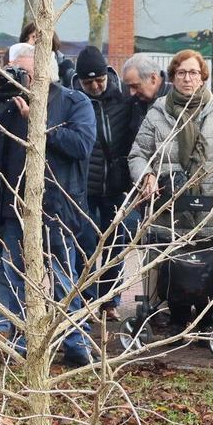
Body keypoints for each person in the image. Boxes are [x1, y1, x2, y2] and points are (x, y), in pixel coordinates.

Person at [0, 42, 96, 367]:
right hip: (14, 209)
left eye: (26, 72)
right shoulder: (5, 105)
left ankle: (76, 343)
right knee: (16, 277)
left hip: (59, 209)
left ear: (46, 72)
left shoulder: (74, 101)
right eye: (15, 71)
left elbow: (81, 145)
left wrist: (38, 121)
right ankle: (26, 342)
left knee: (64, 279)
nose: (21, 78)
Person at [128, 49, 213, 326]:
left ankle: (209, 319)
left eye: (193, 73)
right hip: (170, 208)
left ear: (203, 77)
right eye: (181, 73)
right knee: (174, 265)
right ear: (172, 77)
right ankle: (178, 317)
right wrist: (146, 175)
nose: (187, 78)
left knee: (211, 266)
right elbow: (138, 154)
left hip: (212, 209)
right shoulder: (158, 113)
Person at [73, 45, 141, 313]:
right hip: (86, 187)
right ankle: (87, 298)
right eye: (89, 82)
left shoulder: (124, 96)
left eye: (99, 80)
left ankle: (109, 299)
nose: (96, 86)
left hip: (116, 185)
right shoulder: (74, 99)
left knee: (116, 243)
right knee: (86, 244)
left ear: (107, 75)